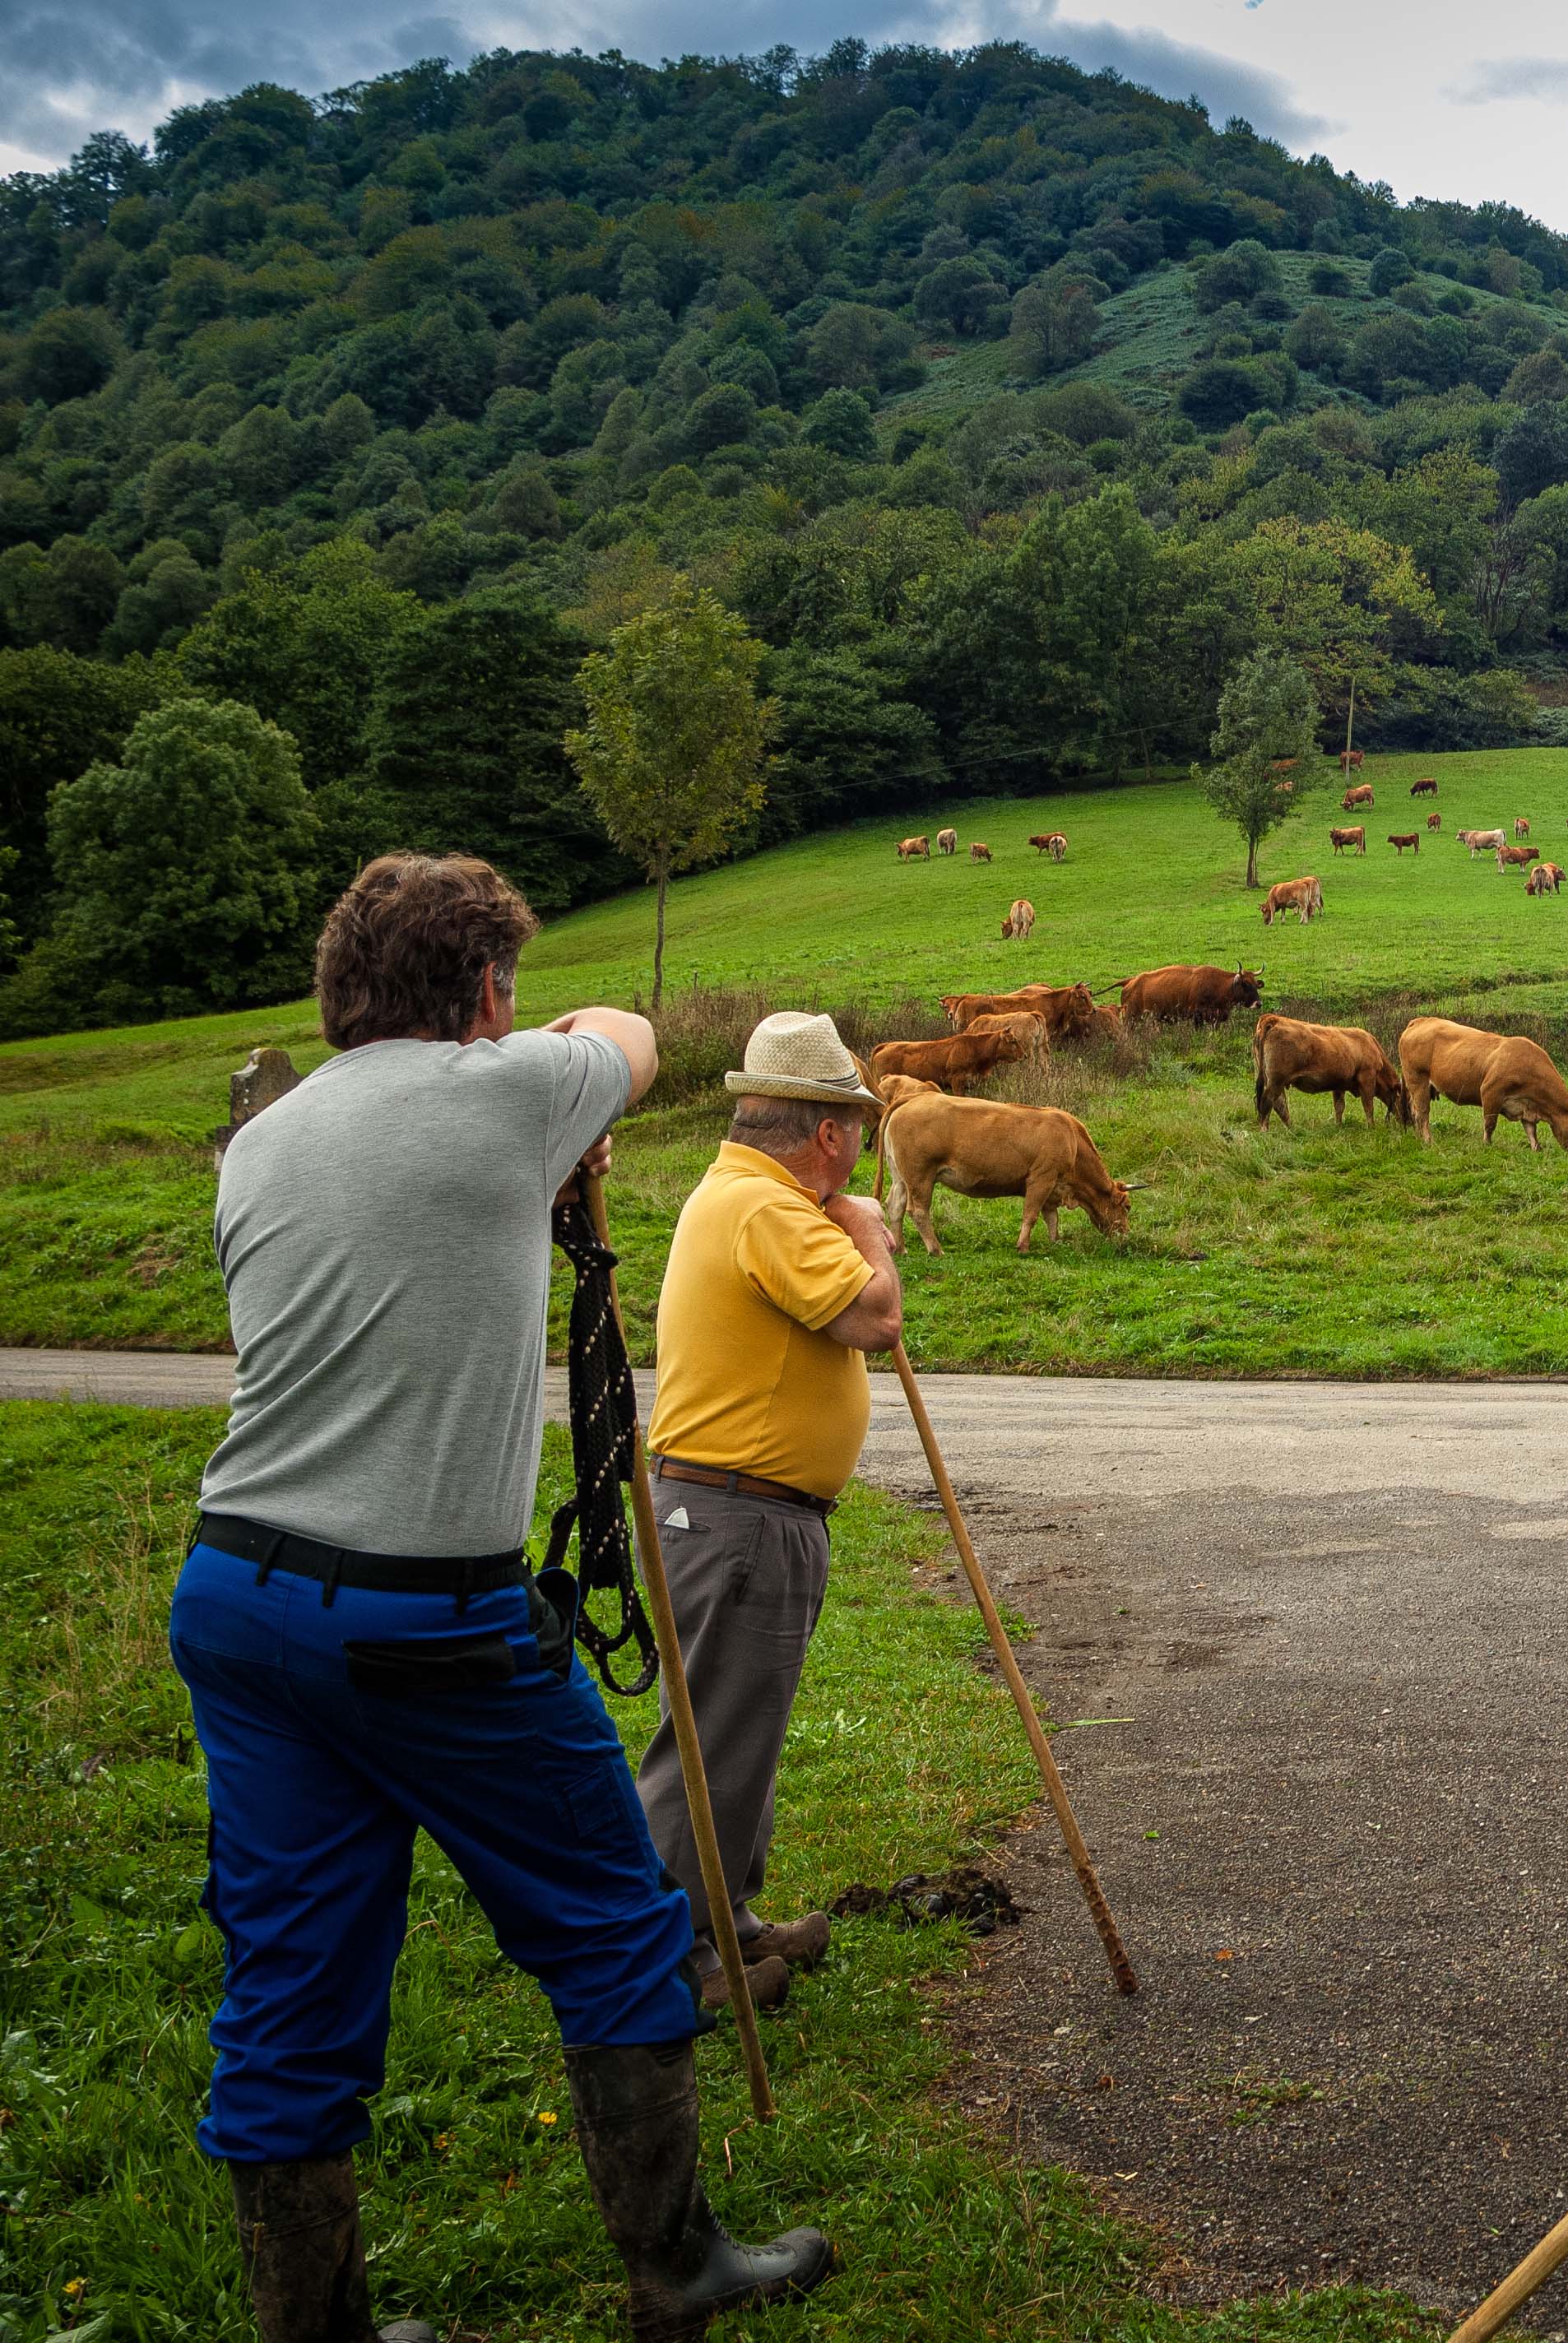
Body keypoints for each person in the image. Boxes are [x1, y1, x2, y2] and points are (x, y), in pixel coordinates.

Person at [174, 853, 834, 2342]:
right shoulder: (502, 1089)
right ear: (485, 991)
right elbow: (635, 1032)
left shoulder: (262, 1144)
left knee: (290, 1969)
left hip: (237, 1593)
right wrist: (539, 1094)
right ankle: (676, 2266)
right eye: (509, 987)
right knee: (611, 1914)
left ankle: (316, 2329)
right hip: (425, 1613)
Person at [638, 1012, 900, 2013]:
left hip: (743, 1513)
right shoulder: (768, 1209)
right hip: (737, 1516)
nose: (862, 1150)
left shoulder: (745, 1196)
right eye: (859, 1129)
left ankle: (724, 1920)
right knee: (707, 1742)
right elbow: (873, 1316)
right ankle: (667, 1962)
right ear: (828, 1132)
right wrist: (870, 1230)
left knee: (734, 1729)